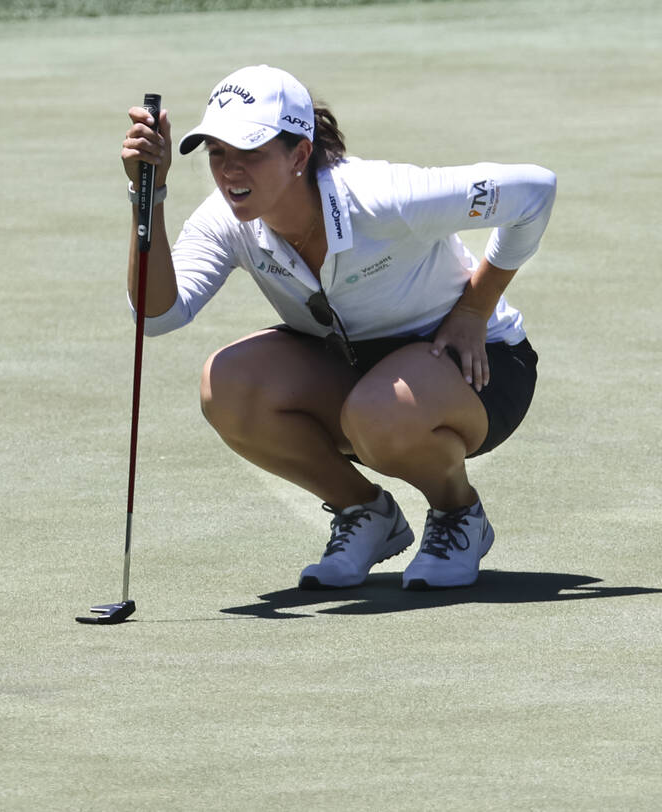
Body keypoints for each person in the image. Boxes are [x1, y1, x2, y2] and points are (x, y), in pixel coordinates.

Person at [119, 65, 556, 590]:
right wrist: (152, 195)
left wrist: (474, 308)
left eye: (251, 152)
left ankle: (458, 513)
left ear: (299, 154)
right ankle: (365, 514)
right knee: (229, 384)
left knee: (379, 411)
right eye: (217, 154)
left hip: (477, 366)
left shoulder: (382, 195)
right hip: (358, 375)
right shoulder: (226, 219)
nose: (231, 171)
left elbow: (534, 192)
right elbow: (158, 312)